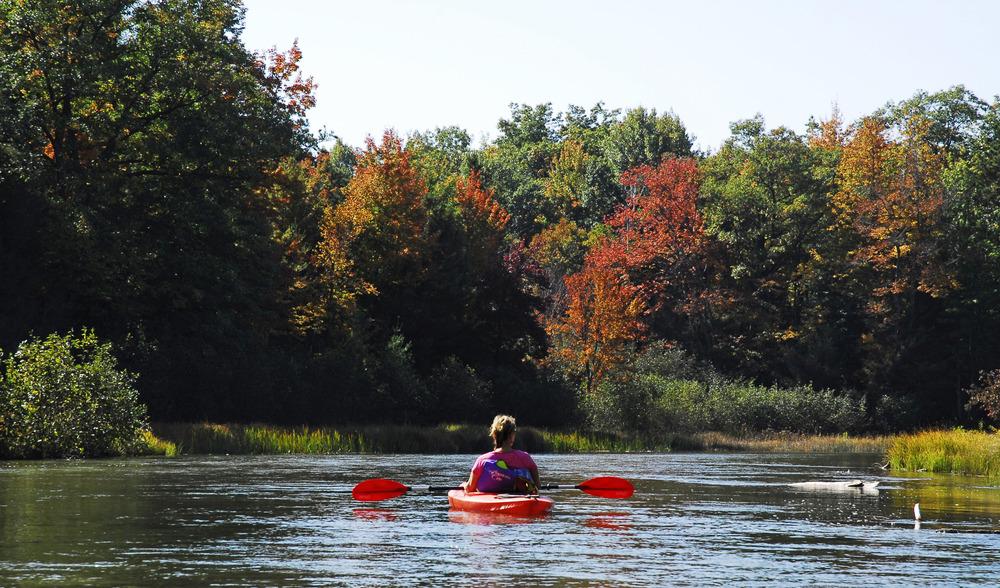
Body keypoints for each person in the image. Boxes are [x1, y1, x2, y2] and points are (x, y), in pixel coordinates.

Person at [463, 414, 540, 494]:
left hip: (490, 502)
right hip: (520, 499)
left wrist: (464, 485)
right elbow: (537, 486)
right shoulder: (525, 458)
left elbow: (470, 488)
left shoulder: (482, 460)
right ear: (511, 436)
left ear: (494, 435)